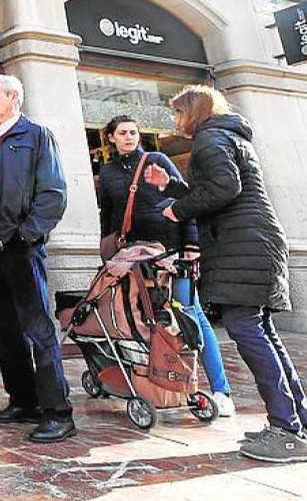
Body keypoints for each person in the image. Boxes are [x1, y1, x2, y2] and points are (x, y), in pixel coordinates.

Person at [145, 85, 307, 463]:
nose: (175, 121)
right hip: (255, 240)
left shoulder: (210, 138)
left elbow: (226, 188)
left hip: (243, 244)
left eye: (178, 113)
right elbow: (220, 186)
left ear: (193, 111)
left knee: (247, 329)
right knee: (262, 332)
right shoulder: (227, 136)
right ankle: (303, 425)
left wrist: (176, 210)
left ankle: (287, 431)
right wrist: (176, 189)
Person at [0, 74, 73, 443]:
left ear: (13, 97)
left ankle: (58, 411)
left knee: (37, 327)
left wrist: (27, 234)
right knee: (4, 328)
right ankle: (24, 401)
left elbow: (53, 193)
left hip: (20, 244)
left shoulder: (36, 136)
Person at [97, 115, 234, 416]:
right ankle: (163, 382)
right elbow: (108, 215)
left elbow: (184, 200)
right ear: (111, 138)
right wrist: (108, 252)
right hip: (135, 256)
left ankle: (221, 390)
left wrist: (191, 246)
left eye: (133, 132)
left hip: (172, 252)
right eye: (122, 133)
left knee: (190, 314)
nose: (129, 137)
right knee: (146, 322)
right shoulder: (106, 173)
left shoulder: (156, 159)